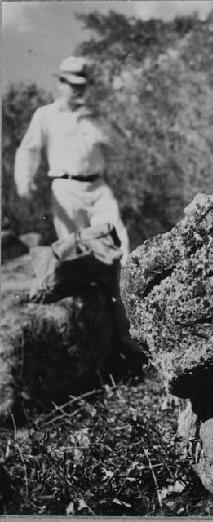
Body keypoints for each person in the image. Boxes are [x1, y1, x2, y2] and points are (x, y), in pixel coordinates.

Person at [14, 56, 145, 368]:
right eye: (71, 85)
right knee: (80, 258)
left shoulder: (94, 116)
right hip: (65, 189)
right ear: (60, 84)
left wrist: (95, 123)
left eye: (81, 86)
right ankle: (101, 348)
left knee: (121, 251)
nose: (76, 91)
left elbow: (120, 148)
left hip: (98, 189)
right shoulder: (45, 115)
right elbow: (29, 150)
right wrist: (25, 181)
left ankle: (131, 341)